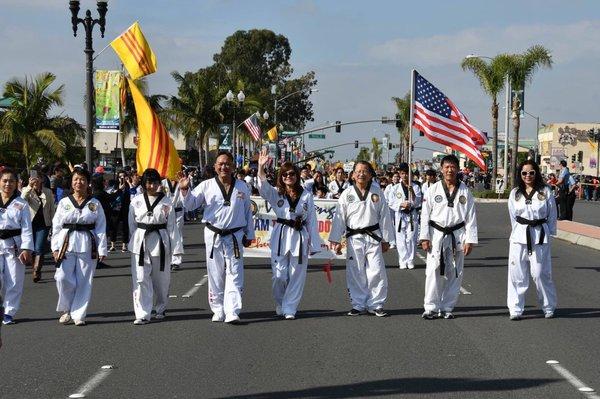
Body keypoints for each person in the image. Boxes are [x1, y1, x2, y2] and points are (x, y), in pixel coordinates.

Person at [179, 151, 255, 324]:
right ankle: (218, 308)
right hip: (214, 233)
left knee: (235, 272)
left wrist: (249, 234)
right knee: (215, 272)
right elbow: (190, 205)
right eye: (220, 164)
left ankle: (232, 310)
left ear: (233, 166)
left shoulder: (242, 187)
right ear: (215, 166)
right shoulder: (206, 185)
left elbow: (247, 213)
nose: (224, 167)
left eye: (227, 164)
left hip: (235, 234)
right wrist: (184, 189)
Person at [257, 149, 323, 319]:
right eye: (284, 174)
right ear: (281, 176)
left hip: (299, 237)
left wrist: (314, 244)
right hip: (281, 235)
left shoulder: (307, 195)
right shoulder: (276, 193)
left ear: (297, 175)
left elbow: (312, 221)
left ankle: (290, 308)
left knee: (296, 275)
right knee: (279, 275)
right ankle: (280, 302)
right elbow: (263, 188)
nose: (288, 176)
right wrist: (260, 167)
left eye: (292, 173)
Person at [329, 161, 395, 317]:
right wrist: (336, 239)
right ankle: (358, 304)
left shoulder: (377, 193)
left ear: (371, 175)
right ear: (352, 175)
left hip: (374, 237)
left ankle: (376, 304)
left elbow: (384, 217)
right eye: (358, 171)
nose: (361, 174)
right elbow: (339, 218)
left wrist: (386, 240)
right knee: (355, 271)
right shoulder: (347, 194)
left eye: (365, 171)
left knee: (377, 270)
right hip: (354, 238)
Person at [419, 155, 477, 320]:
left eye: (453, 167)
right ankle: (430, 307)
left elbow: (471, 217)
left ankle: (447, 307)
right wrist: (424, 237)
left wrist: (470, 240)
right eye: (446, 167)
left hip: (457, 235)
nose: (450, 170)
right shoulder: (433, 190)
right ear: (442, 169)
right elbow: (425, 215)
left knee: (455, 272)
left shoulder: (465, 191)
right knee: (433, 271)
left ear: (458, 169)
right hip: (436, 234)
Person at [51, 168, 107, 326]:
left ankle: (78, 314)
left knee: (84, 280)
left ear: (87, 182)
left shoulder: (95, 203)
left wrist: (102, 249)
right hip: (65, 243)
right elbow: (56, 226)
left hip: (87, 243)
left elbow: (101, 227)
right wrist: (55, 248)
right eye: (76, 179)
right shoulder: (64, 202)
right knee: (62, 277)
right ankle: (66, 309)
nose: (79, 182)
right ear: (71, 182)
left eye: (82, 179)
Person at [128, 169, 182, 325]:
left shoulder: (167, 202)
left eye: (154, 182)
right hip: (141, 240)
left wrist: (176, 250)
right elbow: (132, 224)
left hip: (160, 242)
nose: (151, 186)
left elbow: (172, 227)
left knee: (161, 280)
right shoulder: (136, 201)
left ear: (159, 183)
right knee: (140, 278)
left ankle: (161, 307)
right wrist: (135, 240)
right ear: (143, 184)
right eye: (148, 182)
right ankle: (142, 313)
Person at [507, 160, 557, 320]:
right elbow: (513, 216)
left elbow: (552, 214)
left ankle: (548, 306)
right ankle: (515, 308)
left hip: (540, 235)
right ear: (520, 175)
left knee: (540, 273)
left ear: (536, 173)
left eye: (531, 172)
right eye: (524, 173)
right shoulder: (515, 193)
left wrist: (549, 232)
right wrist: (517, 232)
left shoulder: (545, 191)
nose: (527, 175)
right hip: (519, 235)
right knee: (517, 274)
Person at [0, 168, 33, 325]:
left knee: (14, 280)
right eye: (5, 180)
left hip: (14, 245)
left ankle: (9, 312)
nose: (8, 184)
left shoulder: (22, 204)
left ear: (16, 183)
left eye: (11, 181)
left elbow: (27, 228)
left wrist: (26, 248)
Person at [21, 172, 55, 282]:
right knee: (32, 249)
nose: (35, 180)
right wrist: (29, 187)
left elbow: (51, 209)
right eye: (32, 178)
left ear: (41, 180)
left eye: (37, 178)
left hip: (44, 224)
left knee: (39, 247)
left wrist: (54, 224)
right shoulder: (27, 190)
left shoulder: (48, 192)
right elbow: (22, 200)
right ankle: (34, 268)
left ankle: (36, 270)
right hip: (30, 224)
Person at [387, 163, 422, 269]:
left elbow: (418, 202)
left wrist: (412, 193)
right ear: (400, 175)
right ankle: (402, 260)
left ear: (410, 174)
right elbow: (390, 202)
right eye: (402, 174)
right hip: (400, 215)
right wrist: (401, 204)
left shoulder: (415, 186)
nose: (404, 176)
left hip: (411, 214)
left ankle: (410, 260)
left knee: (411, 238)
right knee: (400, 238)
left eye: (406, 173)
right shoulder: (395, 188)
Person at [162, 174, 185, 271]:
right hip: (166, 211)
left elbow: (186, 195)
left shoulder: (181, 182)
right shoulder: (163, 183)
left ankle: (176, 261)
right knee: (166, 235)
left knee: (177, 235)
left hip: (178, 211)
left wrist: (183, 186)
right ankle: (168, 259)